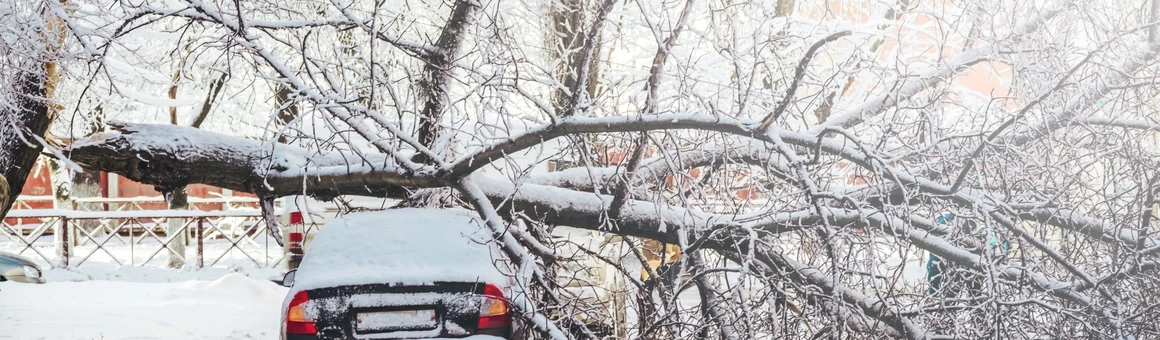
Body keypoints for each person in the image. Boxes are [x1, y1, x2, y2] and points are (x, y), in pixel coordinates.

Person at [926, 213, 1008, 297]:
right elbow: (931, 238)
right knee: (940, 273)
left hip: (974, 260)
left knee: (973, 288)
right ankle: (937, 301)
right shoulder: (946, 218)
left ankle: (973, 304)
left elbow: (996, 246)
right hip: (950, 256)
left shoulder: (985, 221)